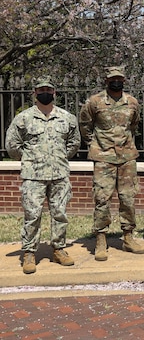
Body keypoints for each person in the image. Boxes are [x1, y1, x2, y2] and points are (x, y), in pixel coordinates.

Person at [5, 76, 81, 274]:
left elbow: (74, 143)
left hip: (59, 174)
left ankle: (59, 249)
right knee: (32, 214)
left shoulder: (67, 117)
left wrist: (59, 157)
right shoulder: (23, 118)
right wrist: (31, 158)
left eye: (48, 89)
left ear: (54, 93)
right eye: (41, 90)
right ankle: (29, 252)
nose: (44, 93)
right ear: (34, 94)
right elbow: (12, 145)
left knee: (60, 214)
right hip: (33, 175)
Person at [79, 66, 144, 260]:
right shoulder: (94, 102)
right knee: (102, 199)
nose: (115, 81)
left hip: (127, 158)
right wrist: (96, 144)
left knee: (128, 199)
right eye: (112, 79)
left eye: (119, 78)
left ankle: (128, 237)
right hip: (103, 158)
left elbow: (133, 125)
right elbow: (85, 125)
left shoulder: (132, 102)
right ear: (106, 80)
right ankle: (101, 239)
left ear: (124, 81)